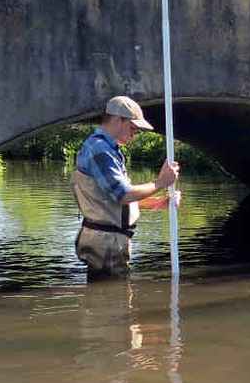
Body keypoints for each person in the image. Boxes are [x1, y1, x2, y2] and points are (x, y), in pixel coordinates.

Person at [72, 96, 181, 280]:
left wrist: (157, 202)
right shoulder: (100, 150)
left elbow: (112, 197)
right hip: (106, 244)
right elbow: (123, 195)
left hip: (107, 241)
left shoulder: (106, 149)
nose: (135, 134)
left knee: (110, 301)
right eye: (133, 128)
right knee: (112, 302)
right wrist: (160, 182)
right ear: (117, 120)